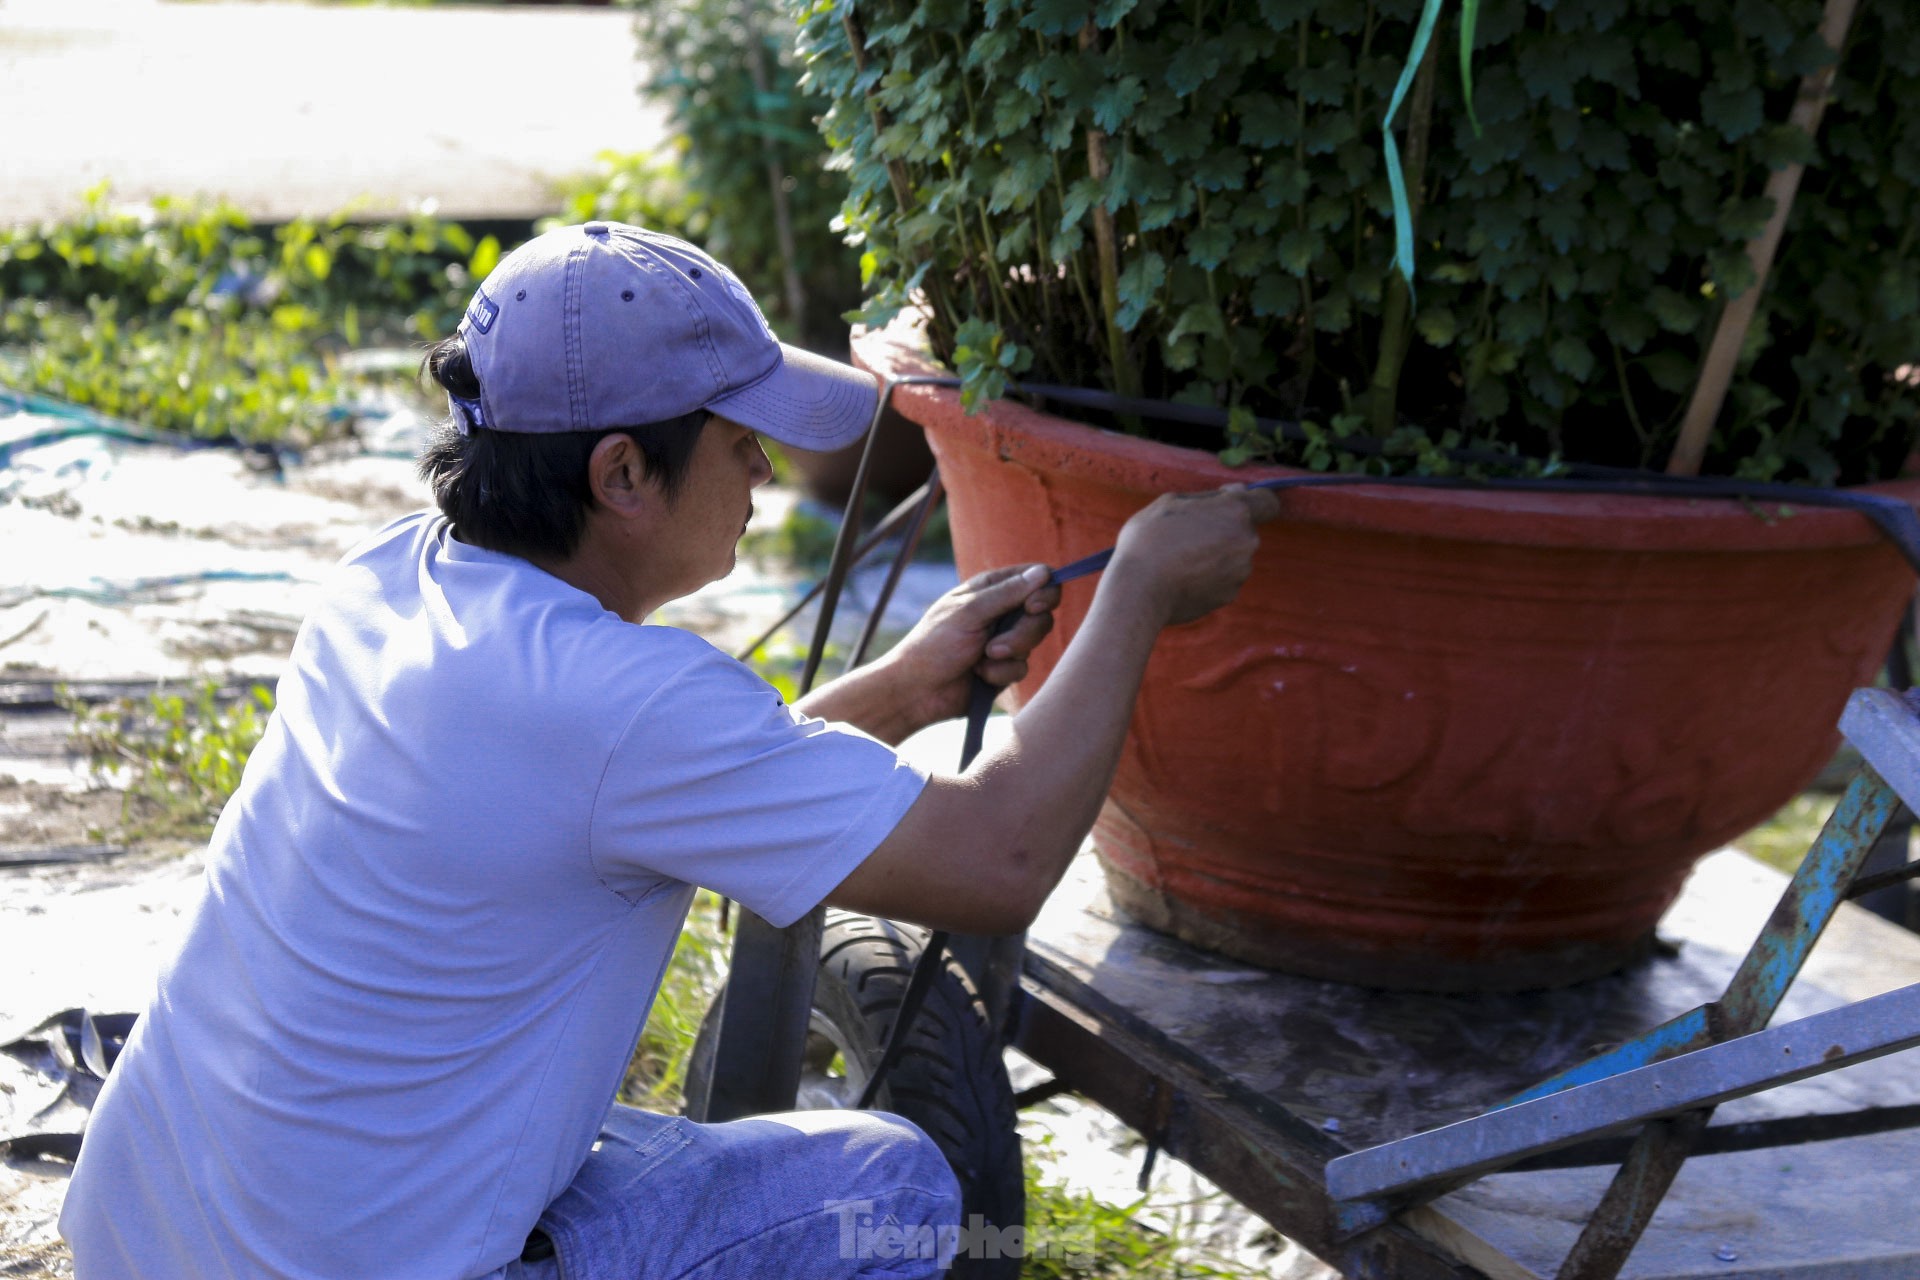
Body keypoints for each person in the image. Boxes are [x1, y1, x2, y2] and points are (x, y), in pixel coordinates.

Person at [60, 222, 1279, 1280]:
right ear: (623, 471)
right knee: (890, 1189)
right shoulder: (619, 704)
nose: (764, 467)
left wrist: (906, 687)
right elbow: (1002, 856)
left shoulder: (392, 579)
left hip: (150, 1231)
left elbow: (628, 785)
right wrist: (1138, 590)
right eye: (741, 434)